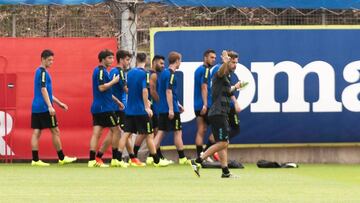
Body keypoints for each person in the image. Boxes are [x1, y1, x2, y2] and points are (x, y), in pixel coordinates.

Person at [191, 50, 244, 178]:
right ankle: (198, 160)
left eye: (236, 62)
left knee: (222, 143)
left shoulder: (227, 74)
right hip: (218, 112)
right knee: (224, 143)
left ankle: (225, 172)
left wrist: (235, 87)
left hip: (221, 112)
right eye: (233, 62)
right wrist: (225, 63)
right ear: (227, 61)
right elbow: (220, 72)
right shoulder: (219, 70)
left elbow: (225, 91)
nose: (235, 65)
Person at [117, 52, 169, 167]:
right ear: (146, 61)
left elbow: (128, 89)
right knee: (149, 135)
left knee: (126, 134)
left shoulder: (129, 73)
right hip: (141, 110)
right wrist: (147, 106)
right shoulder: (145, 74)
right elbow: (144, 91)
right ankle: (156, 160)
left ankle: (117, 159)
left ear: (136, 60)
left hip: (130, 110)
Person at [94, 50, 143, 167]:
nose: (128, 62)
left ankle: (100, 156)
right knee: (125, 133)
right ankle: (122, 158)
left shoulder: (113, 71)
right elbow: (126, 89)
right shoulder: (119, 72)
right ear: (121, 60)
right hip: (119, 108)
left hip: (117, 106)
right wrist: (141, 96)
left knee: (117, 133)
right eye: (127, 60)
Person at [30, 49, 77, 166]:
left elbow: (47, 92)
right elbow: (43, 89)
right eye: (49, 60)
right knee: (55, 130)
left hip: (36, 107)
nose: (52, 62)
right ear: (42, 59)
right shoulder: (42, 72)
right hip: (44, 107)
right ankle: (61, 158)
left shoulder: (39, 71)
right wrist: (50, 106)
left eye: (52, 60)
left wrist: (59, 103)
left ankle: (35, 160)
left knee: (37, 132)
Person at [133, 55, 173, 164]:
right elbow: (152, 91)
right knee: (152, 132)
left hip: (149, 108)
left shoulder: (151, 74)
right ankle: (151, 156)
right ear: (154, 62)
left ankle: (153, 156)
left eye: (163, 64)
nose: (163, 65)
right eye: (161, 63)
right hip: (153, 108)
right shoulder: (153, 75)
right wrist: (161, 103)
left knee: (151, 132)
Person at [88, 49, 124, 168]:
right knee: (117, 131)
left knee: (97, 133)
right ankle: (115, 159)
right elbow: (102, 88)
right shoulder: (101, 71)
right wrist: (114, 81)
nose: (112, 60)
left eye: (113, 58)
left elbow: (106, 91)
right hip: (105, 108)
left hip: (99, 106)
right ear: (103, 59)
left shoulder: (102, 71)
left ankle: (92, 160)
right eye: (109, 58)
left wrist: (117, 101)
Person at [154, 51, 190, 165]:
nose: (180, 63)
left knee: (161, 132)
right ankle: (182, 157)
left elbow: (167, 92)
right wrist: (171, 108)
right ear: (177, 61)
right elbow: (168, 91)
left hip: (164, 107)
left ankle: (152, 156)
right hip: (170, 109)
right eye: (180, 61)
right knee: (177, 132)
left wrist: (177, 104)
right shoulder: (171, 74)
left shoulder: (163, 73)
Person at [193, 49, 217, 159]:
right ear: (205, 58)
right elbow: (204, 87)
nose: (213, 60)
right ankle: (205, 154)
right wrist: (206, 104)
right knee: (218, 129)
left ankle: (200, 156)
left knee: (201, 130)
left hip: (197, 105)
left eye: (214, 58)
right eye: (211, 57)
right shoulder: (206, 70)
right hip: (205, 105)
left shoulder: (198, 69)